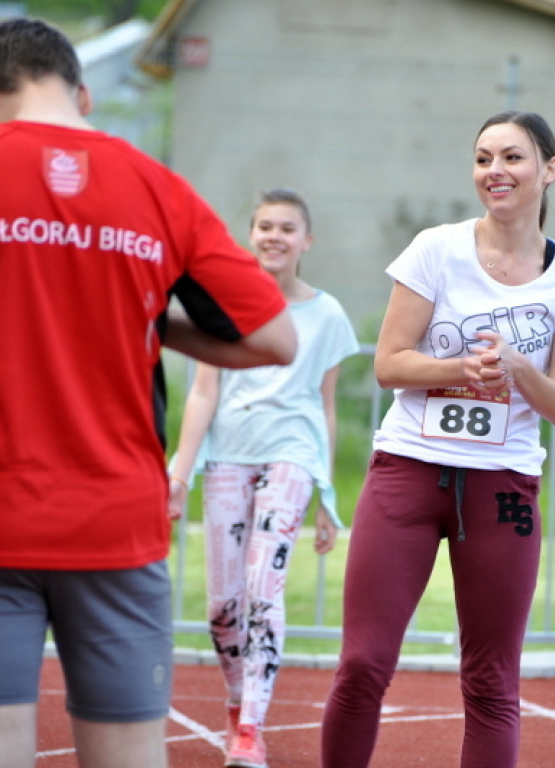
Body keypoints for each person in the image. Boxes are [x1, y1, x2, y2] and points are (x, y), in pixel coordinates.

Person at [0, 18, 296, 768]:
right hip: (117, 524)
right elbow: (274, 338)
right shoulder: (157, 187)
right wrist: (148, 317)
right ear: (81, 94)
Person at [319, 110, 555, 768]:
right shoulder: (436, 249)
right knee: (363, 662)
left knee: (491, 681)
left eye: (512, 157)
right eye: (483, 158)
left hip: (502, 486)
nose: (494, 172)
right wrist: (459, 369)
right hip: (409, 473)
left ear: (549, 169)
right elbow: (389, 362)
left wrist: (518, 368)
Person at [167, 188, 358, 768]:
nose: (275, 236)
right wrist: (180, 470)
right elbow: (204, 390)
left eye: (287, 228)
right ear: (251, 235)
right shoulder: (223, 303)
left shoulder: (327, 314)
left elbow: (325, 408)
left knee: (261, 586)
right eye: (265, 226)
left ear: (307, 240)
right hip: (228, 456)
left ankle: (251, 725)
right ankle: (236, 698)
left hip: (292, 455)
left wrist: (326, 495)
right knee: (223, 607)